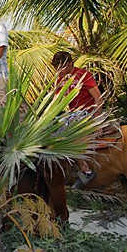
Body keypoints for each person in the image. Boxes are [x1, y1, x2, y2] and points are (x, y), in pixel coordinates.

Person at [51, 51, 103, 189]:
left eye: (61, 67)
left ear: (69, 63)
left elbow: (98, 97)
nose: (59, 70)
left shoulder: (83, 75)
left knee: (68, 133)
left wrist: (98, 119)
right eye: (57, 67)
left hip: (87, 112)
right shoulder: (60, 79)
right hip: (73, 114)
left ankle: (86, 170)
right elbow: (56, 101)